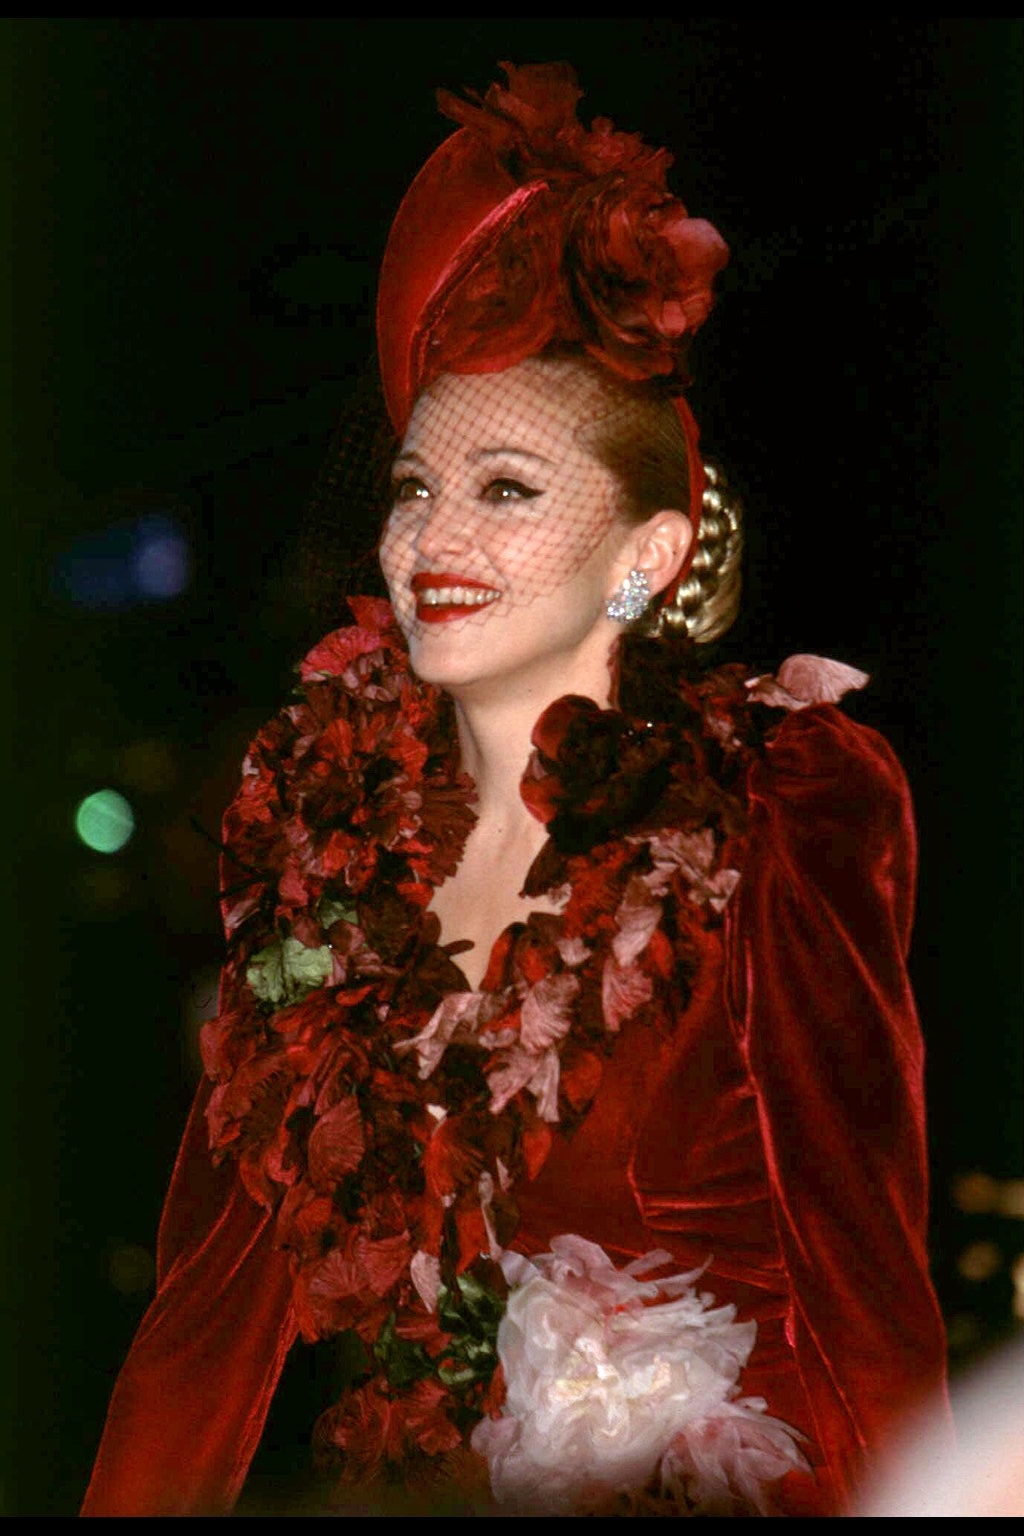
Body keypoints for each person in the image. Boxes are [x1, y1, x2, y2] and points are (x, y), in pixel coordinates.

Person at [81, 62, 949, 1518]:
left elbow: (866, 1277)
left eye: (508, 488)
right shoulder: (322, 852)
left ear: (648, 555)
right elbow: (206, 1314)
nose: (433, 534)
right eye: (417, 486)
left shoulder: (783, 803)